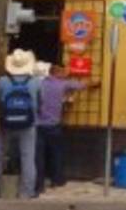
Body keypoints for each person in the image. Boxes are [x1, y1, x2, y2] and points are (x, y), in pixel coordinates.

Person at [34, 61, 99, 195]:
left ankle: (39, 184)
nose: (66, 74)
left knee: (39, 156)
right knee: (56, 153)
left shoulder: (40, 83)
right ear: (57, 72)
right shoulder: (63, 84)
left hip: (38, 126)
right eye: (64, 72)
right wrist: (96, 82)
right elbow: (83, 85)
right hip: (54, 126)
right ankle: (56, 180)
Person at [0, 49, 40, 200]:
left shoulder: (2, 81)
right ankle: (26, 192)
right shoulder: (35, 82)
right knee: (28, 158)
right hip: (28, 125)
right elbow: (39, 102)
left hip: (5, 124)